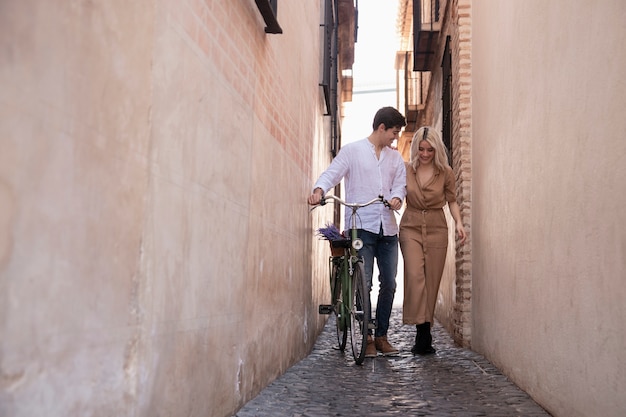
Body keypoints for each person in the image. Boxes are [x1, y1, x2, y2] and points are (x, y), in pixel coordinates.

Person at [308, 106, 407, 358]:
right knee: (365, 281)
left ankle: (382, 335)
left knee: (390, 283)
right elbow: (333, 173)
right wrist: (319, 190)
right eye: (394, 133)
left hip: (388, 227)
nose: (395, 138)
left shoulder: (395, 158)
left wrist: (397, 198)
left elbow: (400, 185)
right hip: (361, 224)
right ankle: (368, 337)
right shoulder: (352, 151)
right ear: (381, 127)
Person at [399, 126, 467, 355]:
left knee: (431, 279)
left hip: (437, 226)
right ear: (416, 149)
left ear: (436, 150)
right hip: (411, 225)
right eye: (421, 149)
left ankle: (424, 332)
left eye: (430, 150)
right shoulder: (406, 170)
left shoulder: (445, 172)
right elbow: (396, 191)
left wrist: (458, 222)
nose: (425, 154)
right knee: (415, 275)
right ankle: (421, 327)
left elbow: (452, 200)